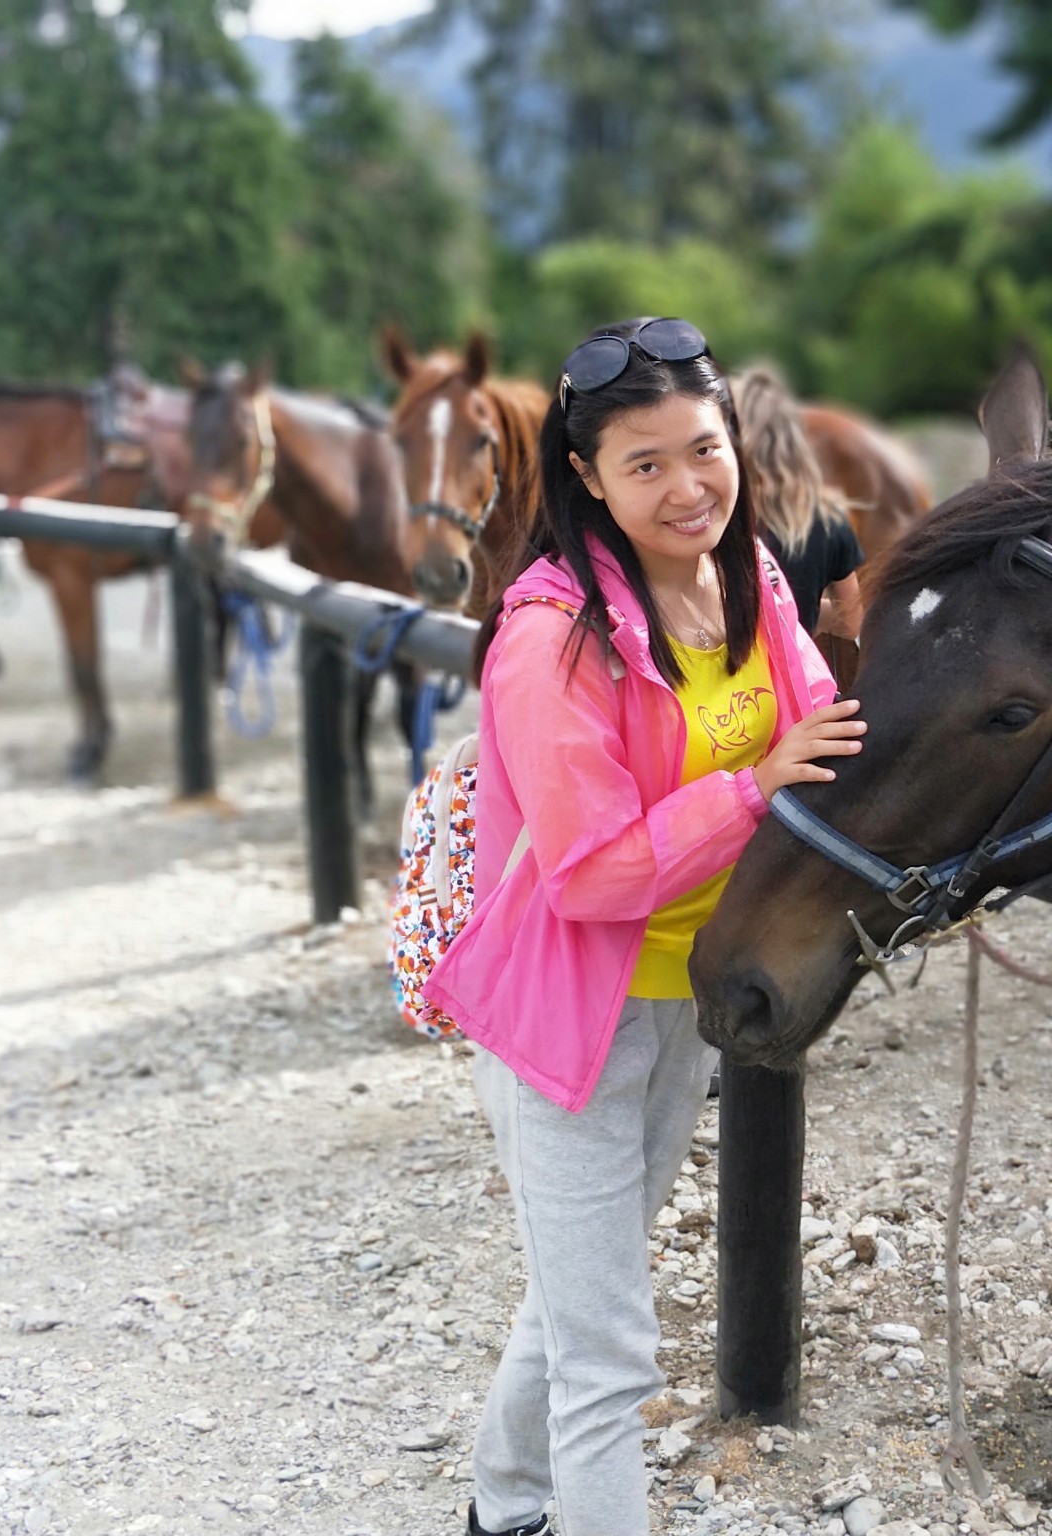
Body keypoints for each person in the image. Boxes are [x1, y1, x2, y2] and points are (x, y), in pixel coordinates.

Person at [422, 317, 861, 1536]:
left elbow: (825, 738)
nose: (688, 488)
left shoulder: (755, 577)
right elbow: (593, 875)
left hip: (688, 1003)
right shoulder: (550, 636)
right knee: (611, 1353)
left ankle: (501, 1509)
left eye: (703, 450)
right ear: (588, 478)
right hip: (563, 1021)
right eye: (647, 464)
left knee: (575, 1305)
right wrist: (752, 787)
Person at [730, 364, 865, 685]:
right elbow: (851, 623)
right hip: (797, 691)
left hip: (728, 694)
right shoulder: (829, 519)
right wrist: (804, 610)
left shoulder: (716, 515)